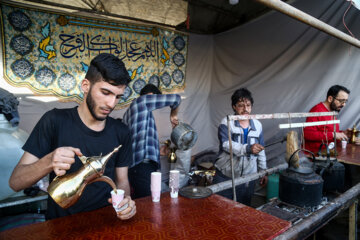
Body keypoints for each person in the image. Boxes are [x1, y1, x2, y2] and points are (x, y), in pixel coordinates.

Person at [9, 53, 136, 220]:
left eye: (118, 97)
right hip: (61, 227)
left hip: (106, 224)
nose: (112, 104)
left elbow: (122, 181)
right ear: (85, 86)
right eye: (105, 92)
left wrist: (126, 201)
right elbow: (16, 182)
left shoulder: (121, 131)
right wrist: (48, 161)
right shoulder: (54, 121)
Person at [122, 83, 181, 199]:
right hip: (142, 168)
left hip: (136, 169)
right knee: (150, 205)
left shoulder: (128, 114)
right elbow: (176, 99)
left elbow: (136, 145)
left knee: (142, 204)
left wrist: (158, 152)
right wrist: (173, 115)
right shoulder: (142, 102)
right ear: (151, 95)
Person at [212, 88, 267, 206]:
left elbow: (261, 149)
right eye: (241, 105)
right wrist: (248, 148)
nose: (245, 109)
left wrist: (263, 171)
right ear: (234, 107)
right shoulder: (227, 122)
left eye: (248, 105)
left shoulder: (257, 125)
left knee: (243, 210)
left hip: (247, 178)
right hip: (225, 176)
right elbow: (226, 145)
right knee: (221, 209)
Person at [304, 85, 351, 154]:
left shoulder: (332, 111)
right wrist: (333, 135)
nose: (344, 104)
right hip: (315, 155)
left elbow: (328, 131)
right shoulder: (317, 111)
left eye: (345, 101)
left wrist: (342, 133)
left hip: (328, 152)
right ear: (330, 99)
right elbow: (307, 134)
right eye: (341, 101)